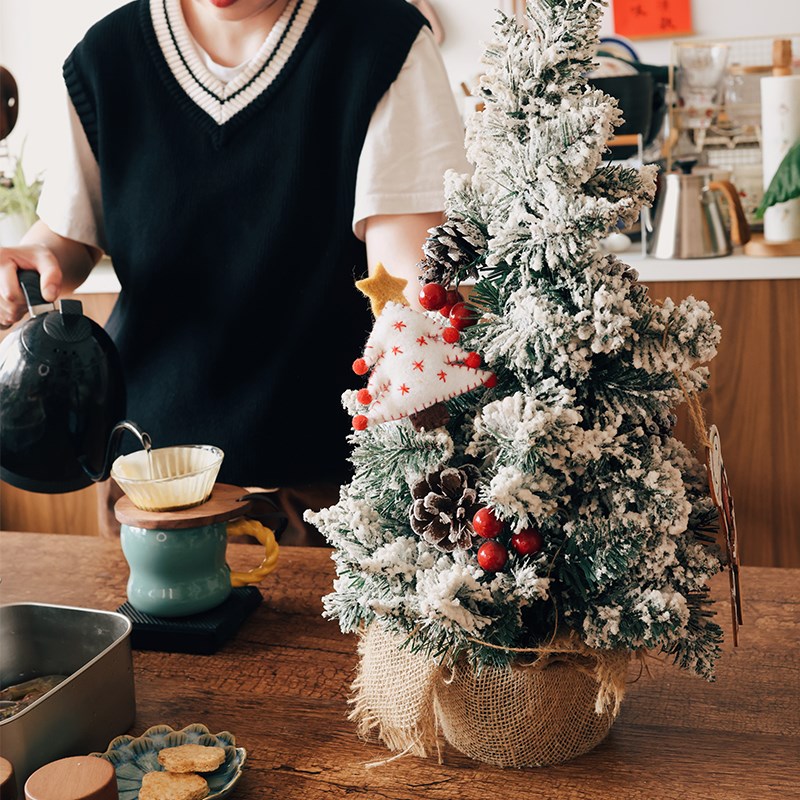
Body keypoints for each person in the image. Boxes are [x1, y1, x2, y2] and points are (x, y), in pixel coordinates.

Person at [0, 0, 469, 543]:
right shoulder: (105, 56)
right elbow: (68, 234)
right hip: (151, 486)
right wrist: (30, 258)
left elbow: (408, 286)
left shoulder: (384, 44)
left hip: (326, 497)